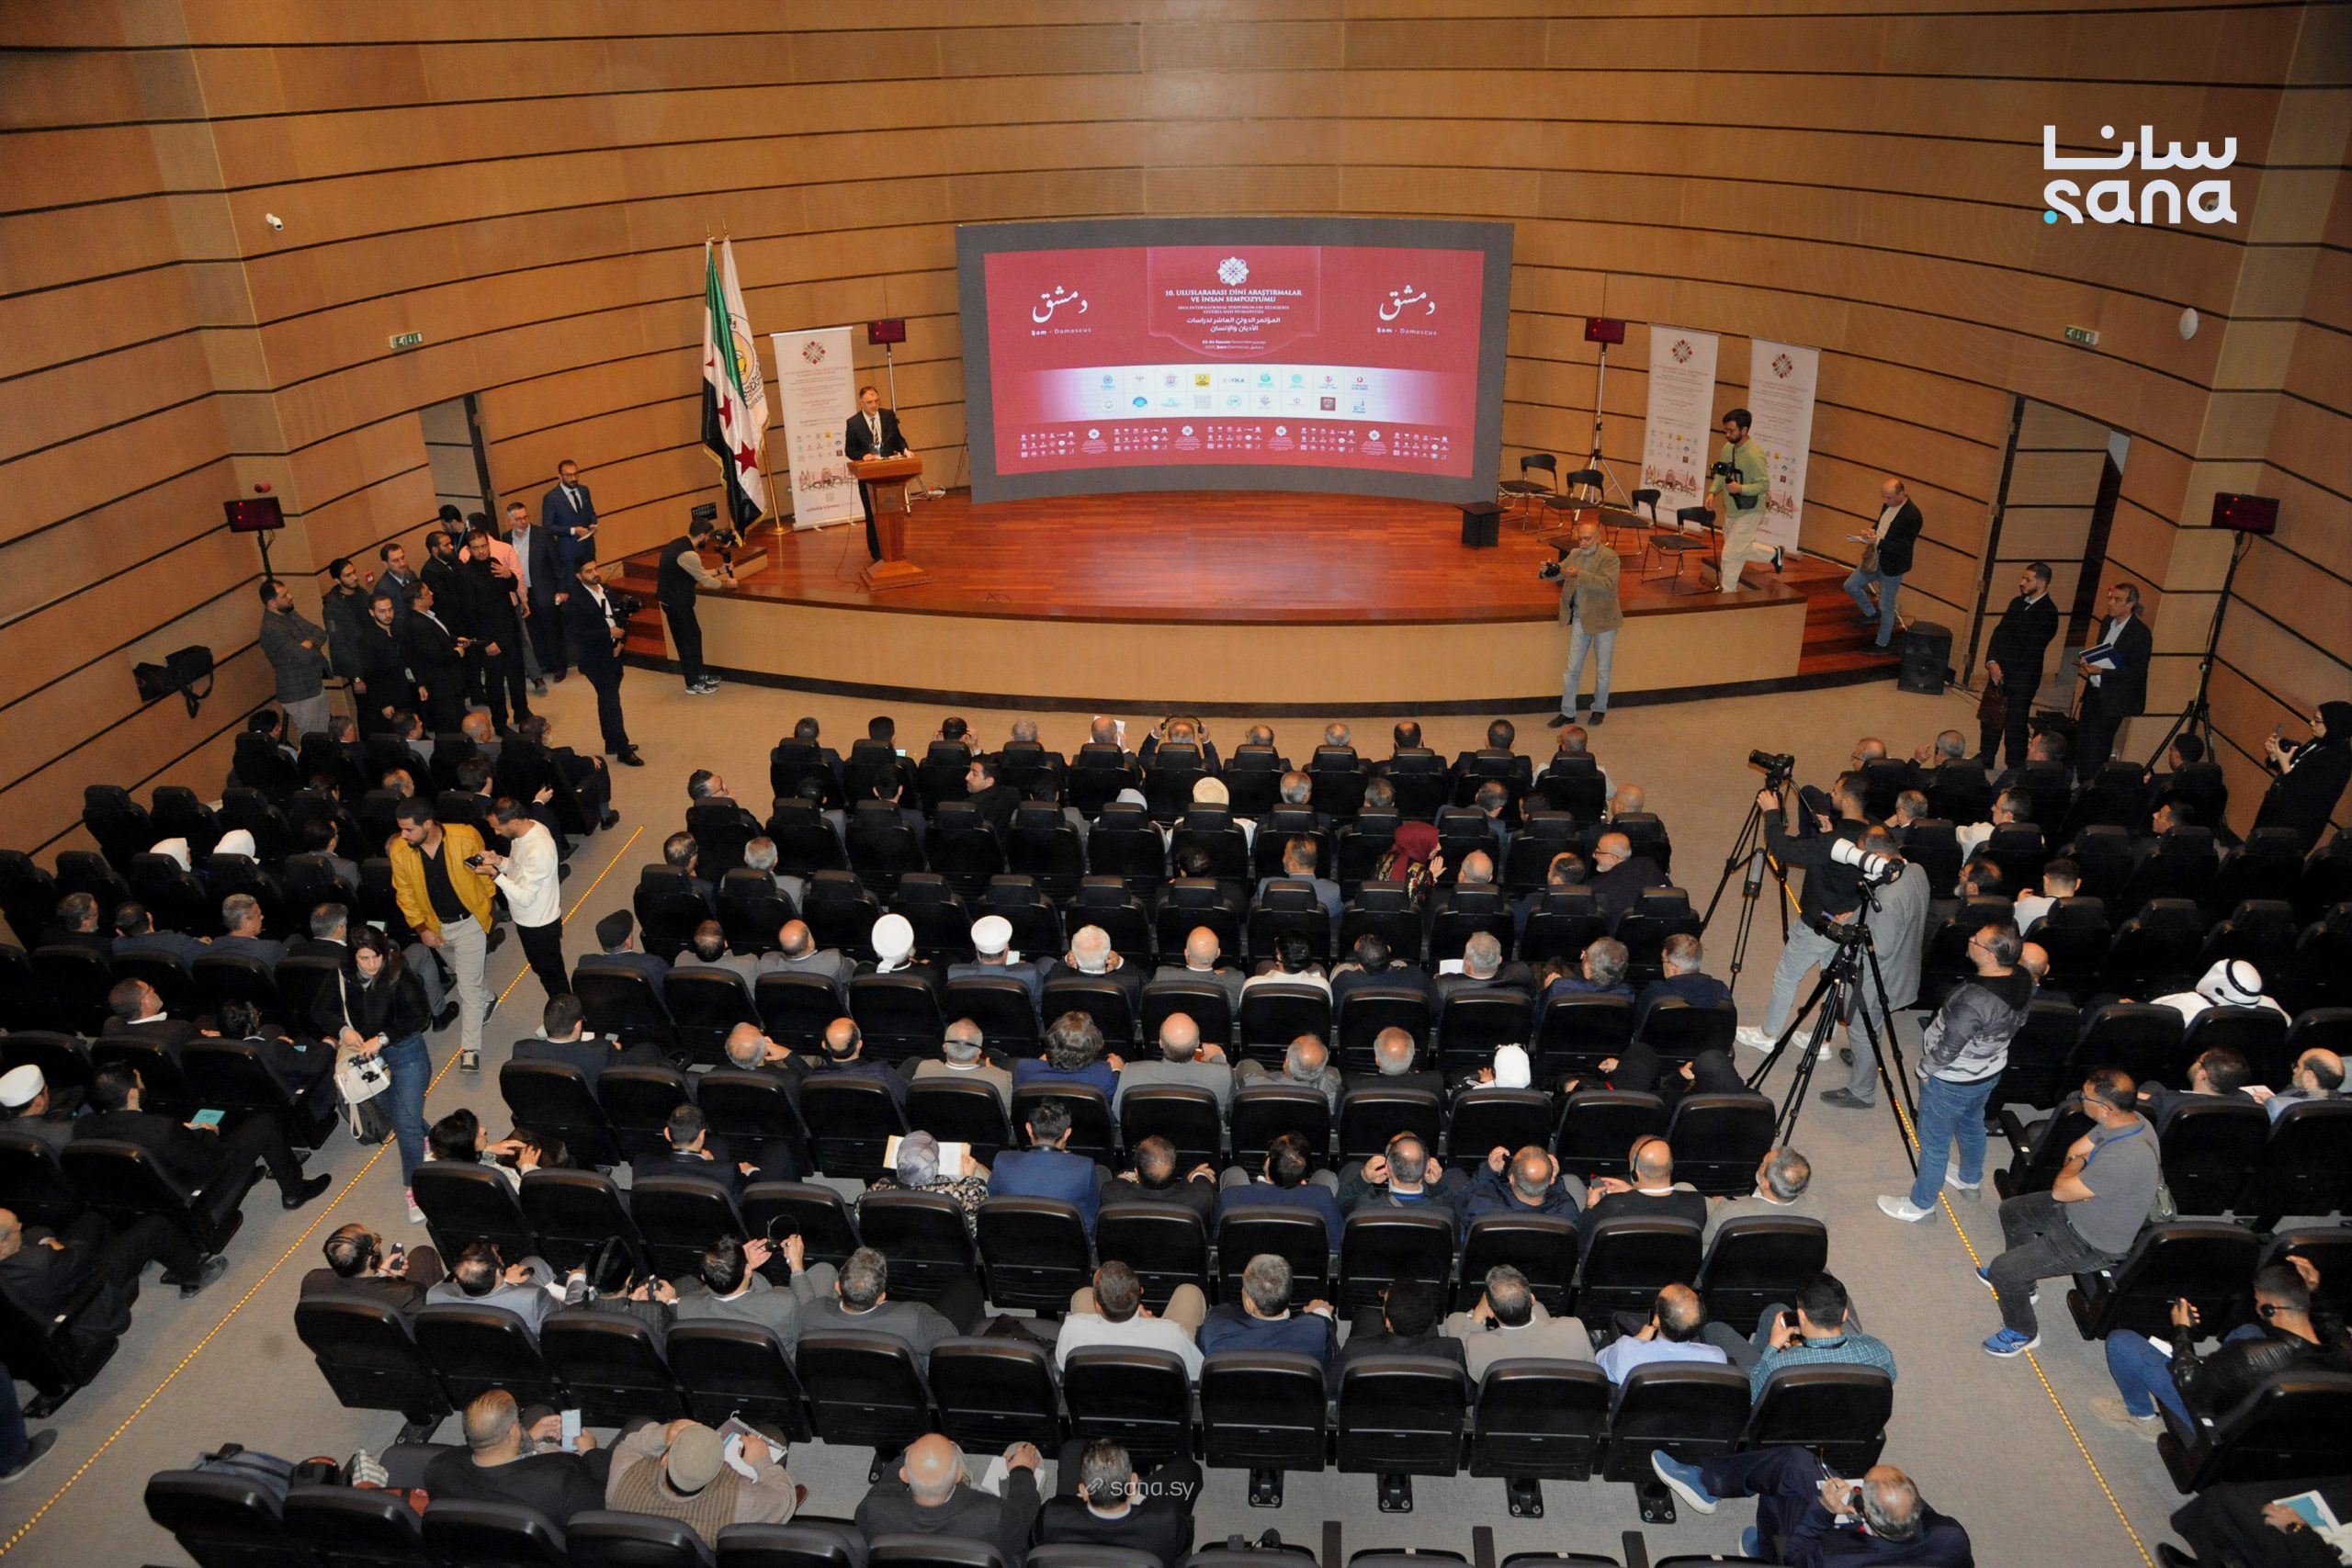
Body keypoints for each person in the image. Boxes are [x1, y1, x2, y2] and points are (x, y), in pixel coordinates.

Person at [1981, 1067, 2160, 1358]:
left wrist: (2078, 1167)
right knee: (2013, 1211)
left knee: (2003, 1270)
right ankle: (2025, 1283)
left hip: (2090, 1242)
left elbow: (2061, 1190)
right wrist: (2078, 1168)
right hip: (2078, 1210)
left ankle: (2022, 1332)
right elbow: (2075, 1151)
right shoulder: (2127, 1121)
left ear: (2106, 1108)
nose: (2079, 1099)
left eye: (2085, 1097)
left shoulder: (2127, 1156)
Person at [2095, 1263, 2352, 1441]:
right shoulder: (2343, 1349)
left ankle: (2142, 1417)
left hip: (2216, 1421)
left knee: (2121, 1343)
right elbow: (2335, 1327)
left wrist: (2182, 1331)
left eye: (2259, 1301)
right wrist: (2315, 1291)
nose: (2257, 1305)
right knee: (2248, 1329)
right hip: (2276, 1416)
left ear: (2271, 1308)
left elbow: (2190, 1385)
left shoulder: (2248, 1356)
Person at [1878, 923, 2031, 1220]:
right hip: (1989, 1071)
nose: (1970, 939)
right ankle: (1969, 1180)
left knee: (1934, 1145)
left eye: (1976, 939)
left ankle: (1921, 1205)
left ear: (1990, 955)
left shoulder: (1975, 1000)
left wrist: (1924, 1068)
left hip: (1952, 1080)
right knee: (1972, 1124)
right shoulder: (2022, 976)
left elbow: (1949, 1048)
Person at [1649, 1448, 1972, 1567]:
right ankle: (1710, 1482)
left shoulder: (1836, 1560)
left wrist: (1824, 1510)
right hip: (1875, 1540)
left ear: (1864, 1512)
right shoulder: (1951, 1536)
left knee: (1782, 1486)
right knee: (1796, 1464)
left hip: (1817, 1549)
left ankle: (1766, 1552)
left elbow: (1797, 1555)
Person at [73, 1062, 330, 1211]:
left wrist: (184, 1134)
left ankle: (254, 1173)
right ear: (131, 1093)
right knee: (264, 1125)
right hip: (197, 1193)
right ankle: (295, 1192)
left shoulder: (83, 1127)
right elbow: (212, 1164)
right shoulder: (161, 1129)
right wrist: (208, 1134)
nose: (142, 1084)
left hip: (145, 1198)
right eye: (139, 1081)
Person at [1737, 773, 1871, 1052]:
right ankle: (1823, 1041)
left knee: (1787, 976)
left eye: (1836, 791)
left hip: (1817, 923)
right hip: (1848, 925)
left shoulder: (1831, 843)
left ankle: (1767, 1035)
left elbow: (1783, 849)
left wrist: (1772, 813)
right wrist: (1829, 832)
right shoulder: (1873, 835)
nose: (1831, 795)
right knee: (1834, 980)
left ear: (1848, 800)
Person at [0, 1204, 223, 1350]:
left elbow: (34, 1234)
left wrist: (48, 1243)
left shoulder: (15, 1260)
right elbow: (81, 1255)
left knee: (93, 1220)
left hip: (54, 1290)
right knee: (155, 1227)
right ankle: (193, 1276)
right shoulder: (40, 1263)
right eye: (16, 1229)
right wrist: (52, 1245)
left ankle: (133, 1263)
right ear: (2, 1244)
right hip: (88, 1297)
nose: (21, 1227)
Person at [388, 796, 497, 1074]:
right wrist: (422, 929)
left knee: (467, 988)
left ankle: (470, 1050)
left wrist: (486, 905)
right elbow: (405, 894)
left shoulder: (465, 836)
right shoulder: (400, 850)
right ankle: (488, 997)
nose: (403, 835)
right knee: (464, 972)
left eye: (408, 829)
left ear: (428, 824)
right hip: (436, 928)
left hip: (469, 923)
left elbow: (483, 873)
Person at [854, 1434, 1042, 1565]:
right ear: (958, 1476)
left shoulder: (874, 1511)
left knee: (947, 1447)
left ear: (904, 1475)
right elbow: (1026, 1517)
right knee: (1020, 1449)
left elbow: (884, 1488)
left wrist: (905, 1457)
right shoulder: (992, 1515)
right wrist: (1022, 1470)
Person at [423, 1389, 604, 1524]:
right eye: (519, 1419)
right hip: (553, 1546)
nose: (521, 1422)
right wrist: (591, 1453)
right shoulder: (560, 1480)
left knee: (538, 1411)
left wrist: (529, 1437)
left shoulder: (438, 1467)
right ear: (513, 1432)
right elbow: (603, 1501)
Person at [605, 1417, 799, 1543]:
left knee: (639, 1422)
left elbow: (629, 1445)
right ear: (715, 1476)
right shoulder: (738, 1502)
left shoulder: (622, 1479)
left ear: (664, 1460)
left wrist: (664, 1432)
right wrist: (762, 1459)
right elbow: (785, 1499)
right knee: (771, 1433)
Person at [1704, 1271, 1896, 1394]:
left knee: (1715, 1330)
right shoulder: (1879, 1351)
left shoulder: (1780, 1365)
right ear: (1845, 1314)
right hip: (1842, 1411)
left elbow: (1754, 1393)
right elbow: (1889, 1379)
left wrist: (1773, 1347)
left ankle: (1758, 1354)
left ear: (1802, 1315)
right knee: (1776, 1311)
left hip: (1778, 1404)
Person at [1035, 1437, 1203, 1567]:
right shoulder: (1164, 1519)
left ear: (1083, 1491)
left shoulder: (1051, 1515)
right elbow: (1184, 1540)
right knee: (1187, 1469)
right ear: (1133, 1483)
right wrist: (1141, 1499)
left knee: (1073, 1448)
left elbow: (1034, 1541)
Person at [673, 1234, 836, 1351]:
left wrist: (737, 1265)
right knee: (825, 1271)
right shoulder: (784, 1305)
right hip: (783, 1371)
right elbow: (809, 1318)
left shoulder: (685, 1308)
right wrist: (797, 1267)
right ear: (747, 1270)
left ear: (704, 1277)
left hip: (735, 1369)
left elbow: (700, 1293)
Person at [800, 1246, 967, 1356]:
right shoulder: (910, 1321)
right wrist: (921, 1307)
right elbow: (949, 1335)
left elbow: (807, 1302)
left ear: (837, 1287)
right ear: (881, 1297)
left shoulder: (811, 1315)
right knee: (966, 1287)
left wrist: (797, 1268)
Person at [475, 796, 565, 1000]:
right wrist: (499, 861)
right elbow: (517, 868)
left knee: (552, 976)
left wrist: (495, 875)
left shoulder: (539, 849)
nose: (496, 832)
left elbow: (524, 898)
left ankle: (566, 1012)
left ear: (514, 822)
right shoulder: (524, 833)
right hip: (526, 920)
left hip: (540, 924)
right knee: (541, 969)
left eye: (498, 827)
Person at [1057, 1259, 1207, 1378]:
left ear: (1097, 1306)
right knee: (1189, 1291)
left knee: (1083, 1294)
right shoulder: (1172, 1335)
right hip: (1154, 1401)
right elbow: (1198, 1373)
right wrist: (1158, 1325)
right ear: (1140, 1291)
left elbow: (1065, 1367)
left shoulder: (1072, 1329)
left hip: (1097, 1401)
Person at [1445, 1263, 1593, 1376]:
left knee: (1454, 1320)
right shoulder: (1575, 1329)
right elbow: (1593, 1375)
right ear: (1532, 1299)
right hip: (1563, 1405)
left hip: (1506, 1408)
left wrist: (1478, 1312)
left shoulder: (1476, 1347)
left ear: (1490, 1312)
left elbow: (1461, 1358)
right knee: (1540, 1309)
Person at [1979, 561, 2059, 768]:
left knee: (2015, 722)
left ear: (2041, 583)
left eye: (2027, 579)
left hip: (2022, 677)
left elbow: (2029, 647)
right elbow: (1999, 633)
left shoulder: (2048, 612)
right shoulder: (2016, 603)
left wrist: (2003, 670)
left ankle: (2014, 765)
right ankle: (1986, 756)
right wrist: (1992, 662)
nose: (2021, 582)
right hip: (1999, 670)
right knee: (1991, 716)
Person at [560, 558, 640, 764]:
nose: (595, 573)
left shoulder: (606, 589)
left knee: (606, 700)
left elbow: (620, 617)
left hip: (615, 653)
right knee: (612, 703)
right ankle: (622, 748)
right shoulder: (575, 600)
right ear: (579, 576)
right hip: (595, 659)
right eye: (589, 571)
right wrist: (608, 634)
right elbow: (578, 634)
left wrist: (620, 642)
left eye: (595, 568)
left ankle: (611, 741)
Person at [1195, 1253, 1336, 1369]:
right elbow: (1330, 1360)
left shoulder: (1216, 1325)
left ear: (1250, 1303)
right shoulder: (1316, 1330)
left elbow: (1201, 1347)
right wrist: (1320, 1314)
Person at [988, 1098, 1104, 1235]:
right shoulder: (1084, 1167)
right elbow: (1091, 1212)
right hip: (1067, 1242)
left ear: (1029, 1129)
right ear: (1067, 1133)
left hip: (1014, 1240)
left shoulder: (1002, 1161)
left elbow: (992, 1200)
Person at [2074, 581, 2153, 779]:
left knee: (2098, 748)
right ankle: (2081, 781)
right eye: (2110, 598)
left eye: (2117, 600)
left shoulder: (2140, 634)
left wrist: (2103, 671)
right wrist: (2090, 660)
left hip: (2113, 698)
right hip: (2093, 690)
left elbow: (2137, 672)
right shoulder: (2107, 622)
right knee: (2083, 741)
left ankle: (2091, 786)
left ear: (2130, 605)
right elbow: (2103, 652)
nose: (2110, 603)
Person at [457, 520, 532, 729]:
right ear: (469, 550)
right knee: (495, 682)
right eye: (476, 548)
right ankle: (500, 723)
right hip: (489, 637)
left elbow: (511, 586)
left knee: (517, 675)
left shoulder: (495, 562)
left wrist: (509, 575)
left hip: (509, 629)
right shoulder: (465, 574)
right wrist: (486, 641)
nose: (481, 551)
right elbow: (470, 613)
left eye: (484, 546)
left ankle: (522, 712)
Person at [2254, 701, 2352, 854]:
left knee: (2268, 861)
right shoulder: (2319, 742)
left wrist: (2284, 762)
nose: (2311, 723)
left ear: (2334, 725)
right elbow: (2294, 769)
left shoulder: (2339, 759)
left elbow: (2305, 793)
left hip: (2294, 825)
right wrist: (2275, 755)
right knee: (2252, 851)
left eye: (2317, 721)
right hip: (2275, 811)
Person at [1551, 517, 1623, 725]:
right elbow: (1560, 572)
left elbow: (1607, 584)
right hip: (1580, 619)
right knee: (1571, 669)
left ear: (1598, 539)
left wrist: (1579, 575)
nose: (1582, 543)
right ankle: (1568, 712)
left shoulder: (1610, 557)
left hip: (1604, 622)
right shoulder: (1575, 554)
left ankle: (1599, 709)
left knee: (1602, 671)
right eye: (1580, 539)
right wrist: (1549, 571)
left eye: (1587, 539)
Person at [1218, 1130, 1344, 1246]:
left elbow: (1218, 1242)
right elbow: (1336, 1244)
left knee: (1234, 1173)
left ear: (1267, 1162)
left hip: (1248, 1261)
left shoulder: (1231, 1198)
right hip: (1306, 1261)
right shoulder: (1323, 1197)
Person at [1844, 477, 1925, 649]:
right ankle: (1870, 614)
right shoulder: (1888, 505)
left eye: (1889, 497)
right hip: (1875, 558)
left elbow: (1902, 547)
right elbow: (1881, 525)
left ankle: (1882, 644)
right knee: (1851, 585)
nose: (1885, 501)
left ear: (1901, 494)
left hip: (1893, 566)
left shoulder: (1913, 516)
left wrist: (1877, 541)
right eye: (1884, 497)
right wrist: (1870, 531)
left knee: (1886, 605)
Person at [302, 1223, 441, 1321]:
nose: (378, 1241)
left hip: (354, 1343)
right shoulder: (408, 1295)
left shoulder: (311, 1281)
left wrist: (381, 1278)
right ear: (371, 1259)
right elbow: (424, 1326)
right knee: (423, 1254)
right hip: (400, 1348)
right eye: (376, 1239)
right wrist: (396, 1285)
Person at [658, 514, 732, 695]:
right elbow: (706, 581)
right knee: (687, 642)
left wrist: (719, 571)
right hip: (677, 604)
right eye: (708, 537)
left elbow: (697, 573)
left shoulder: (679, 544)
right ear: (702, 536)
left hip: (674, 602)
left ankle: (699, 674)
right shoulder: (689, 554)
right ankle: (693, 683)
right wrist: (727, 584)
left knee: (693, 637)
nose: (708, 540)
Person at [1703, 407, 1774, 592]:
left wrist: (1740, 488)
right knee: (1739, 549)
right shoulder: (1728, 449)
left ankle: (1727, 594)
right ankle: (1775, 555)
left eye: (1731, 431)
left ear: (1744, 430)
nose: (1727, 435)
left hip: (1751, 511)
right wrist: (1712, 492)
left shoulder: (1754, 454)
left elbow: (1763, 484)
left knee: (1730, 555)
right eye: (1725, 430)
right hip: (1733, 509)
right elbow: (1722, 473)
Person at [1597, 1284, 1729, 1382]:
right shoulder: (1716, 1359)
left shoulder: (1626, 1352)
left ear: (1656, 1320)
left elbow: (1600, 1361)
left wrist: (1637, 1339)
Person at [1114, 1013, 1233, 1116]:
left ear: (1160, 1043)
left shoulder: (1131, 1073)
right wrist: (1218, 1059)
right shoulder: (1223, 1076)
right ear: (1197, 1044)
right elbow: (1231, 1112)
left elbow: (1119, 1113)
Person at [1339, 1277, 1467, 1373]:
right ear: (1430, 1318)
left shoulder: (1354, 1350)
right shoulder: (1453, 1350)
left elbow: (1330, 1388)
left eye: (1384, 1304)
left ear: (1388, 1322)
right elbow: (1465, 1393)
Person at [1581, 1136, 1708, 1234]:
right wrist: (1631, 1192)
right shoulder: (1696, 1203)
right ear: (1670, 1167)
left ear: (1635, 1174)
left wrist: (1591, 1206)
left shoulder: (1611, 1206)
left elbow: (1583, 1245)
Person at [502, 499, 566, 690]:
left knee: (552, 630)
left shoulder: (543, 534)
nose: (523, 521)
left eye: (525, 517)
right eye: (518, 519)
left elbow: (557, 564)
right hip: (522, 593)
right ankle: (544, 663)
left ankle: (559, 666)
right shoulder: (506, 538)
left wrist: (561, 589)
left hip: (544, 590)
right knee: (534, 631)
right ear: (510, 521)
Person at [256, 577, 332, 738]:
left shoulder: (289, 613)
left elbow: (319, 632)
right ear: (272, 603)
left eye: (288, 592)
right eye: (284, 595)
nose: (290, 596)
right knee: (311, 738)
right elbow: (304, 656)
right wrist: (310, 645)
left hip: (313, 685)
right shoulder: (271, 628)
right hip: (298, 692)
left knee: (324, 734)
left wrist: (309, 642)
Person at [844, 382, 912, 561]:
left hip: (889, 472)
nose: (874, 405)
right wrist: (863, 456)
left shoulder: (888, 416)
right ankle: (877, 553)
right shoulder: (853, 423)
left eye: (876, 401)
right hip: (868, 476)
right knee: (872, 513)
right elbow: (849, 450)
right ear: (861, 403)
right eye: (870, 402)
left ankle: (895, 551)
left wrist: (905, 450)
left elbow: (898, 439)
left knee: (893, 511)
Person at [1704, 1148, 1825, 1247]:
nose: (1760, 1164)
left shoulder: (1729, 1213)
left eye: (1763, 1164)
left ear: (1765, 1184)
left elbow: (1705, 1243)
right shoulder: (1819, 1213)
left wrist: (1717, 1206)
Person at [1337, 1134, 1457, 1224]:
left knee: (1352, 1168)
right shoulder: (1445, 1213)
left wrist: (1363, 1179)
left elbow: (1340, 1208)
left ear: (1387, 1168)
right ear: (1427, 1167)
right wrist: (1437, 1186)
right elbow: (1451, 1203)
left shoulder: (1363, 1208)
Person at [349, 591, 423, 735]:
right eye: (382, 611)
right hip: (387, 695)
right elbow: (371, 675)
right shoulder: (367, 640)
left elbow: (410, 659)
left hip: (405, 689)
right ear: (372, 612)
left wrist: (419, 684)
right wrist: (384, 703)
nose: (388, 614)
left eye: (390, 609)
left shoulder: (399, 628)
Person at [1635, 933, 1734, 1027]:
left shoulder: (1654, 992)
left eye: (1663, 960)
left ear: (1673, 968)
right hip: (1708, 1039)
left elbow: (1638, 1024)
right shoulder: (1721, 990)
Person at [1235, 1032, 1344, 1112]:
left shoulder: (1253, 1083)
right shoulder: (1331, 1086)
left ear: (1286, 1062)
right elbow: (1330, 1072)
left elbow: (1245, 1066)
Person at [2248, 1048, 2345, 1123]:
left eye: (2298, 1066)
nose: (2294, 1070)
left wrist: (2270, 1102)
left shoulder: (2278, 1106)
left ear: (2308, 1076)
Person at [541, 457, 600, 570]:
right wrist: (573, 530)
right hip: (569, 551)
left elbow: (591, 513)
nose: (573, 478)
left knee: (592, 579)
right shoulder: (551, 498)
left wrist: (593, 523)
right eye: (568, 475)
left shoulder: (584, 490)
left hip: (588, 547)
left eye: (576, 474)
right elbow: (548, 527)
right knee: (571, 580)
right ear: (560, 476)